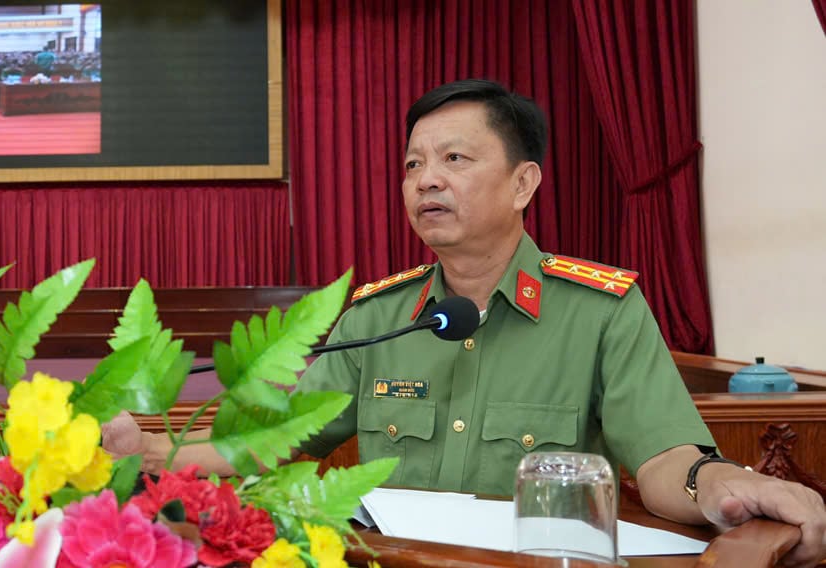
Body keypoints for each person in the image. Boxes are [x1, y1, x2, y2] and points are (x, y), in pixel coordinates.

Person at [104, 79, 826, 566]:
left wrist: (728, 486)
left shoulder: (600, 313)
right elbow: (265, 437)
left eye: (454, 159)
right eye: (414, 163)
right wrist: (150, 450)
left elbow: (666, 461)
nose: (426, 179)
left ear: (523, 183)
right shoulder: (381, 317)